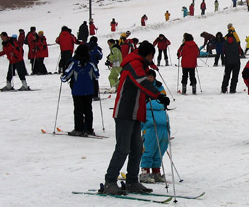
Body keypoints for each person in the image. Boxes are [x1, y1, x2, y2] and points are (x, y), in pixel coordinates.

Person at [103, 41, 169, 195]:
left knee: (138, 149)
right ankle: (110, 181)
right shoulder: (133, 64)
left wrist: (153, 96)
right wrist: (158, 95)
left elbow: (140, 89)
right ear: (149, 54)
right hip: (125, 112)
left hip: (135, 113)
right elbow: (142, 82)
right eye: (152, 55)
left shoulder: (141, 65)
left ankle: (132, 181)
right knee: (123, 148)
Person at [61, 44, 99, 136]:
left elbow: (65, 77)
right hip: (89, 90)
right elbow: (96, 75)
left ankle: (79, 129)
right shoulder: (90, 63)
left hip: (77, 90)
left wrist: (62, 77)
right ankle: (89, 128)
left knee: (78, 109)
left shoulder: (73, 63)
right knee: (88, 109)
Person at [139, 71, 170, 184]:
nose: (149, 78)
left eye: (151, 76)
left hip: (161, 127)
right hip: (151, 128)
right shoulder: (146, 103)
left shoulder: (159, 89)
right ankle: (145, 172)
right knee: (150, 150)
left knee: (159, 151)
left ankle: (156, 171)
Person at [221, 26, 244, 93]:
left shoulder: (225, 44)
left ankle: (224, 88)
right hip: (236, 61)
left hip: (228, 61)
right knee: (235, 76)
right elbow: (240, 52)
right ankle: (232, 89)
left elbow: (223, 52)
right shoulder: (237, 43)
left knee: (226, 75)